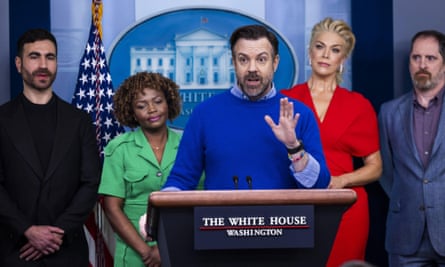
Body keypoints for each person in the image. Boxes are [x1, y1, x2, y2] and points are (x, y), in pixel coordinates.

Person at [162, 24, 330, 191]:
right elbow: (181, 179)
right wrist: (160, 212)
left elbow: (319, 185)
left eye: (261, 59)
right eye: (243, 59)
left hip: (281, 218)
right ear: (233, 63)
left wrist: (294, 147)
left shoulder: (299, 114)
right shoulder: (204, 114)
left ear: (275, 63)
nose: (252, 69)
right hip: (221, 217)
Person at [281, 17, 382, 266]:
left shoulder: (358, 105)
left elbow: (376, 167)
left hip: (346, 207)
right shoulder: (286, 99)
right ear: (309, 51)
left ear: (342, 60)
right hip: (296, 205)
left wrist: (341, 181)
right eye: (320, 46)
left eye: (335, 50)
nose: (326, 54)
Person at [0, 28, 101, 266]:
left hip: (67, 251)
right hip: (15, 250)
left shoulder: (80, 121)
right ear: (18, 63)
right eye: (34, 56)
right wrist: (27, 230)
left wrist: (56, 233)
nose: (43, 64)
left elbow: (91, 182)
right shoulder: (2, 119)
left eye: (50, 57)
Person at [98, 71, 184, 267]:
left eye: (157, 101)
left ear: (168, 103)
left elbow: (198, 201)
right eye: (141, 105)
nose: (152, 109)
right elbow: (112, 208)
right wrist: (147, 252)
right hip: (134, 256)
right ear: (132, 112)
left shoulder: (188, 145)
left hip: (180, 249)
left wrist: (166, 249)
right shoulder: (118, 148)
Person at [379, 30, 445, 266]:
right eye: (416, 58)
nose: (422, 65)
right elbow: (386, 171)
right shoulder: (389, 112)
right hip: (405, 235)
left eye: (431, 58)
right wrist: (408, 196)